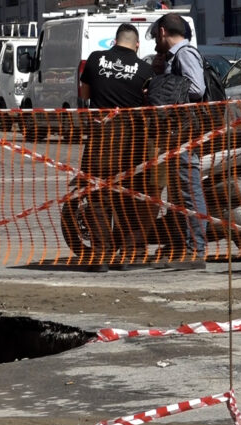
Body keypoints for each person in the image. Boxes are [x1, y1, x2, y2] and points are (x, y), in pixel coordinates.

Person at [79, 23, 154, 272]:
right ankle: (131, 254)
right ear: (137, 45)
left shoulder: (95, 59)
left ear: (115, 41)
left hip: (100, 137)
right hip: (132, 140)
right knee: (131, 198)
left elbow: (85, 92)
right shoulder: (145, 69)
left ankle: (101, 255)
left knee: (97, 197)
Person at [149, 12, 207, 270]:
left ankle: (196, 251)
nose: (155, 42)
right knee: (180, 192)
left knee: (189, 189)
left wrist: (165, 84)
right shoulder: (175, 57)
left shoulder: (185, 54)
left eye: (155, 36)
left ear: (163, 31)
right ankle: (185, 247)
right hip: (177, 134)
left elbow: (197, 89)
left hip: (185, 134)